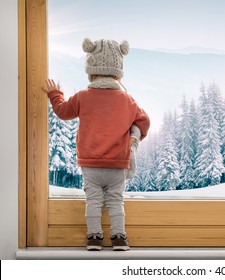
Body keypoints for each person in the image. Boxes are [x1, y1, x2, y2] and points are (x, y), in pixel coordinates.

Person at [43, 38, 150, 251]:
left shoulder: (83, 97)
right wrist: (134, 137)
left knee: (92, 201)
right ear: (119, 74)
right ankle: (119, 239)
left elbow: (63, 111)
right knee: (115, 202)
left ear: (90, 72)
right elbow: (144, 121)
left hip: (91, 165)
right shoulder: (128, 100)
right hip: (118, 165)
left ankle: (94, 238)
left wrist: (54, 94)